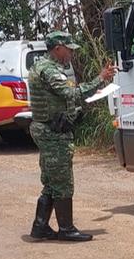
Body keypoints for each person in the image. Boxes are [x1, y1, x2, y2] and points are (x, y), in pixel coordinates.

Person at [28, 31, 115, 242]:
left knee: (51, 181)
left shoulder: (46, 66)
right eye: (69, 49)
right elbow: (70, 94)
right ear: (58, 48)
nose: (71, 54)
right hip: (52, 132)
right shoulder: (48, 69)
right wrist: (100, 79)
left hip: (49, 128)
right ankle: (66, 229)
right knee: (63, 181)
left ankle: (40, 227)